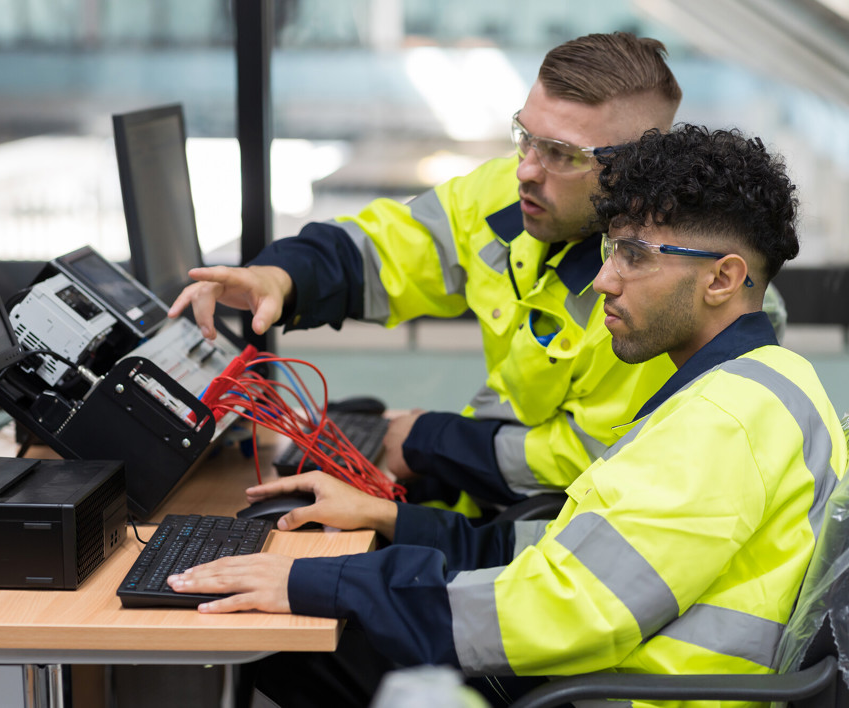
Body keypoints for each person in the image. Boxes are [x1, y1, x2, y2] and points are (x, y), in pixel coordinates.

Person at [168, 124, 847, 708]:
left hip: (614, 692)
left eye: (635, 257)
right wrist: (392, 522)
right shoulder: (761, 385)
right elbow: (576, 562)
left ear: (723, 279)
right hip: (610, 669)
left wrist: (320, 579)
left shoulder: (722, 422)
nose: (605, 280)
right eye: (612, 250)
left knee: (293, 642)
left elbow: (562, 610)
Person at [169, 32, 684, 513]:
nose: (526, 168)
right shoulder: (511, 194)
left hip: (555, 536)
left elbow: (590, 463)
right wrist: (281, 276)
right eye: (525, 136)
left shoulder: (658, 296)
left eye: (560, 154)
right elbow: (392, 247)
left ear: (633, 168)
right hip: (495, 496)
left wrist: (429, 442)